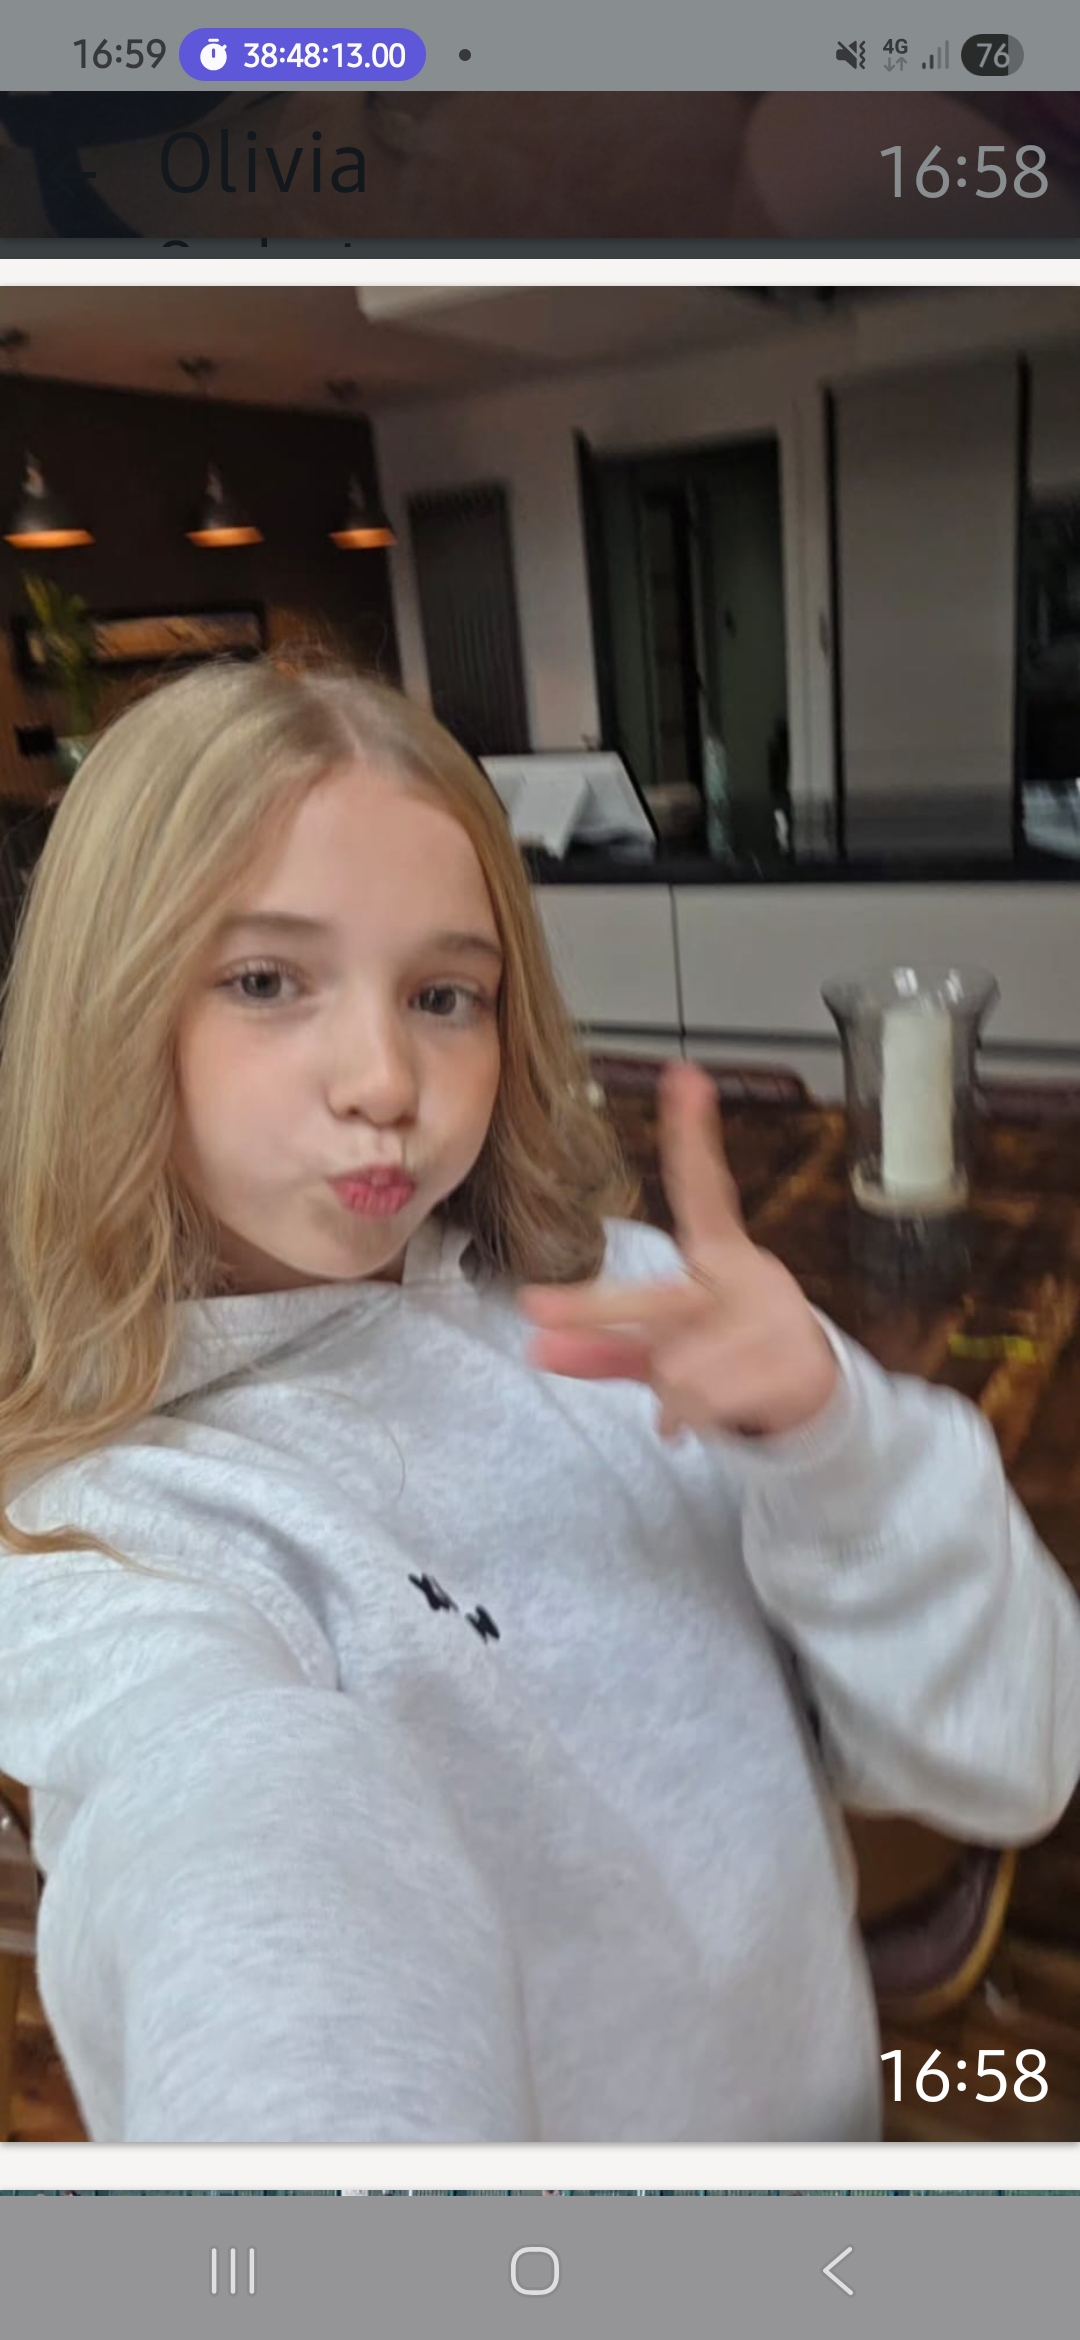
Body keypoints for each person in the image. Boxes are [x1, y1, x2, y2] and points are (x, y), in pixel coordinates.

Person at [0, 655, 1076, 2146]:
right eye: (265, 982)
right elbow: (236, 1829)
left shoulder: (632, 1311)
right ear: (105, 1013)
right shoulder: (109, 1538)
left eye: (445, 995)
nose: (386, 1078)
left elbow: (1017, 1756)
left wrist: (839, 1446)